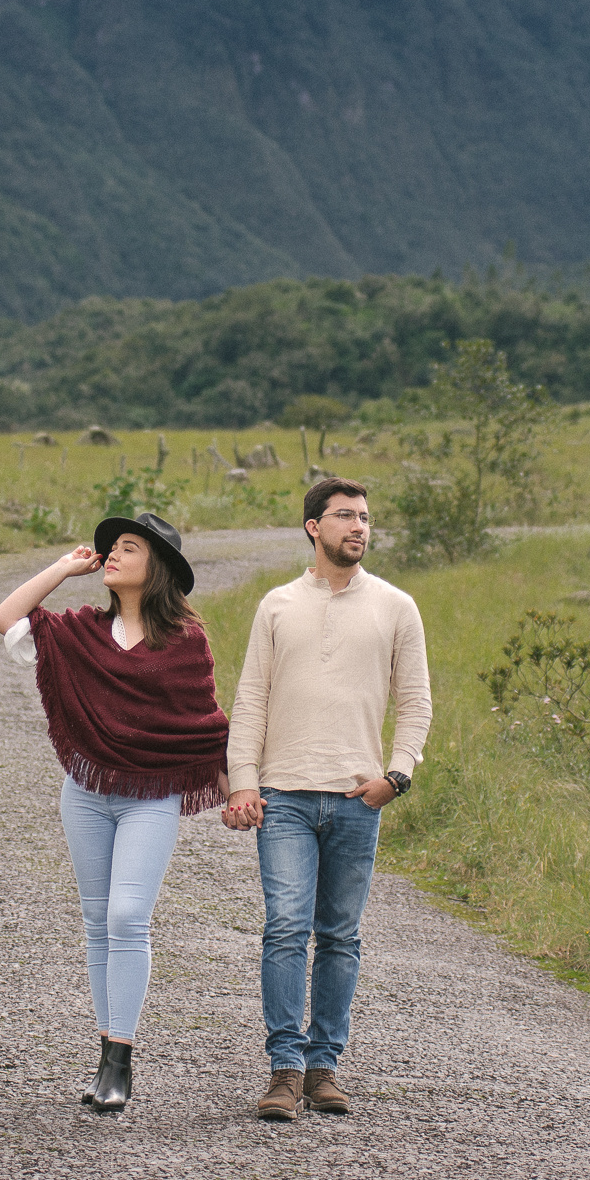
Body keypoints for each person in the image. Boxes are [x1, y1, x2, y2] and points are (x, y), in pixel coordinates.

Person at [0, 510, 228, 1113]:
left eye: (127, 548)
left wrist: (240, 783)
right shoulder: (80, 632)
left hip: (152, 796)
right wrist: (65, 569)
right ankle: (107, 1058)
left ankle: (122, 1056)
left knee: (127, 917)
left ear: (158, 570)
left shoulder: (186, 643)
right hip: (86, 793)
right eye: (109, 548)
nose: (111, 556)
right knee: (98, 923)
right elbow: (4, 618)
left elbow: (202, 724)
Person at [222, 476, 431, 1121]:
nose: (359, 528)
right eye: (345, 516)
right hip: (283, 795)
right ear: (314, 526)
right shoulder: (277, 605)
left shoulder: (397, 607)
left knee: (339, 934)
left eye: (365, 517)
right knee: (285, 929)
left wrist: (396, 776)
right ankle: (283, 1069)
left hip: (355, 798)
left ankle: (324, 1067)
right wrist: (244, 779)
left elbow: (416, 704)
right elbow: (251, 698)